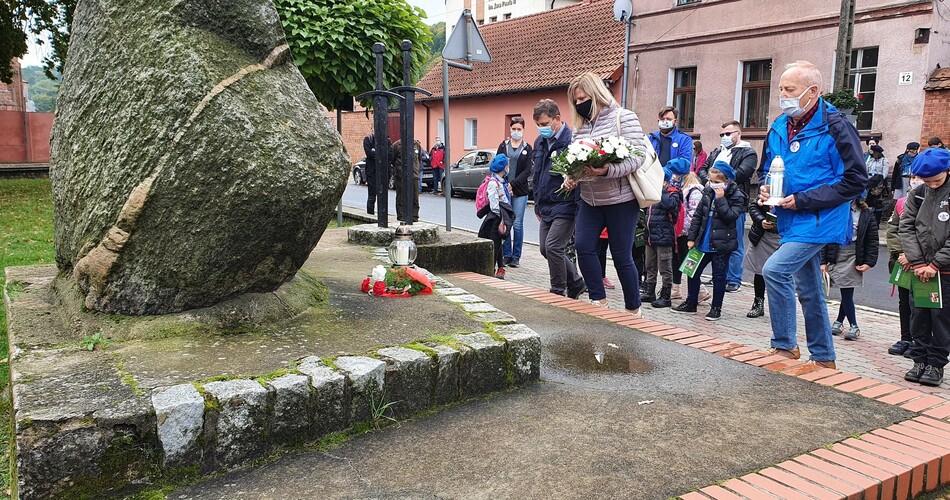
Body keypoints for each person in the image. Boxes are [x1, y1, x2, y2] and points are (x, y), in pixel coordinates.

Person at [758, 60, 868, 370]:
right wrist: (768, 189)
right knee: (809, 289)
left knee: (775, 270)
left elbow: (855, 181)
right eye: (780, 89)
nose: (783, 95)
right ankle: (823, 357)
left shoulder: (836, 125)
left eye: (789, 89)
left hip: (821, 218)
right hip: (792, 218)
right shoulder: (780, 125)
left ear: (813, 91)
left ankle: (784, 346)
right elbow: (770, 167)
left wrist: (803, 200)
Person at [562, 72, 648, 315]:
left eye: (583, 98)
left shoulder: (624, 118)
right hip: (590, 199)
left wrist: (608, 169)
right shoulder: (580, 129)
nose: (580, 104)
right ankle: (598, 300)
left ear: (597, 94)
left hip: (621, 200)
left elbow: (637, 157)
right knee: (583, 246)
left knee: (621, 256)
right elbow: (573, 162)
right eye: (576, 101)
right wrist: (571, 177)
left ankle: (633, 308)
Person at [900, 147, 950, 386]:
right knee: (918, 316)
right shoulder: (918, 193)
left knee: (941, 319)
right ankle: (919, 359)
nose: (931, 184)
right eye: (926, 180)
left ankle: (936, 365)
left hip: (944, 272)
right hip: (920, 271)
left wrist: (936, 263)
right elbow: (906, 227)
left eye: (936, 180)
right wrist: (918, 262)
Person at [673, 161, 747, 320]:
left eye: (716, 182)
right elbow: (698, 216)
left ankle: (716, 308)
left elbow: (730, 217)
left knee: (719, 277)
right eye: (710, 181)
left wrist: (721, 199)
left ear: (726, 181)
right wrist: (692, 238)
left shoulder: (737, 196)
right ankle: (691, 302)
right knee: (692, 271)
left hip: (721, 244)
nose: (711, 184)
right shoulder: (707, 192)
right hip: (703, 242)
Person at [531, 99, 586, 298]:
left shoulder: (572, 141)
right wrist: (537, 204)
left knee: (554, 246)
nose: (541, 129)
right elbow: (537, 175)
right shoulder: (539, 142)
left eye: (544, 124)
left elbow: (579, 174)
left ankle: (557, 290)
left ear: (557, 119)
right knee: (545, 249)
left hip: (566, 204)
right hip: (545, 205)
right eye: (538, 125)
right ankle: (577, 283)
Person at [699, 121, 759, 293]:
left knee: (734, 242)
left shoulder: (748, 153)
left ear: (738, 134)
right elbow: (703, 168)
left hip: (734, 202)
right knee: (715, 239)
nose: (724, 137)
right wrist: (709, 182)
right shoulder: (718, 151)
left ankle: (734, 279)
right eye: (722, 134)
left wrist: (720, 182)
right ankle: (719, 275)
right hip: (712, 201)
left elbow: (741, 174)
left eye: (728, 134)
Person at [821, 197, 878, 340]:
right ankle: (840, 321)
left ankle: (853, 325)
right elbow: (824, 236)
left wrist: (869, 262)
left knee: (847, 290)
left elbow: (872, 239)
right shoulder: (835, 209)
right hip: (836, 252)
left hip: (854, 254)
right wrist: (823, 261)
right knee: (844, 289)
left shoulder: (866, 213)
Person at [885, 178, 918, 356]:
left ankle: (920, 341)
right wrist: (900, 254)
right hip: (902, 262)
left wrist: (912, 256)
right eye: (913, 177)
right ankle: (906, 337)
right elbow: (893, 230)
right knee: (904, 302)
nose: (915, 181)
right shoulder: (901, 203)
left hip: (922, 263)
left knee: (920, 304)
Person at [642, 166, 682, 308]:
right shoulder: (651, 192)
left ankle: (666, 295)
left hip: (664, 234)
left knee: (664, 266)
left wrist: (662, 190)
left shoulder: (672, 193)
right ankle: (650, 291)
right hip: (650, 234)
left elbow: (670, 206)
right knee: (649, 265)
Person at [497, 117, 534, 269]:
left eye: (519, 129)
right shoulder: (503, 145)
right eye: (514, 129)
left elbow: (527, 171)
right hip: (504, 190)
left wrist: (513, 184)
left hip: (520, 191)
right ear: (510, 129)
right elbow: (498, 165)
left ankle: (516, 256)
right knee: (506, 223)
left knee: (517, 224)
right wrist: (505, 184)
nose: (516, 132)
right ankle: (506, 254)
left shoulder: (527, 147)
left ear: (523, 130)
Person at [674, 171, 711, 303]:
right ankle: (676, 289)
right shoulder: (686, 190)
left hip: (687, 233)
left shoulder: (694, 192)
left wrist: (685, 232)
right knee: (679, 260)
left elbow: (693, 215)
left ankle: (701, 291)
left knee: (688, 262)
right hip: (682, 232)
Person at [478, 154, 515, 280]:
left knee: (499, 243)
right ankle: (491, 269)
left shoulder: (501, 181)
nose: (508, 168)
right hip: (496, 218)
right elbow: (494, 203)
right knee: (496, 243)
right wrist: (502, 216)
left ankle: (500, 268)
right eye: (507, 166)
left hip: (500, 216)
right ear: (503, 168)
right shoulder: (494, 183)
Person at [743, 197, 781, 318]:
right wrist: (761, 220)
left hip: (782, 237)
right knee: (759, 270)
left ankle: (780, 307)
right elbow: (753, 207)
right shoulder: (768, 190)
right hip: (763, 235)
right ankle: (758, 304)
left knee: (780, 274)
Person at [391, 138, 423, 222]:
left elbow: (419, 158)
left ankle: (414, 217)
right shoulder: (396, 145)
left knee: (415, 197)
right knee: (400, 197)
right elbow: (392, 160)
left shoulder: (416, 145)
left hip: (414, 175)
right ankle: (401, 216)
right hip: (401, 176)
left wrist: (416, 169)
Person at [362, 133, 386, 214]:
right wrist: (380, 154)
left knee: (383, 195)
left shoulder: (385, 139)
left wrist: (376, 153)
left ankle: (382, 213)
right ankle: (370, 213)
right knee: (372, 195)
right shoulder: (368, 139)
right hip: (371, 171)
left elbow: (389, 153)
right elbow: (368, 153)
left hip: (382, 171)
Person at [865, 145, 890, 222]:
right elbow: (866, 170)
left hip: (878, 183)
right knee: (869, 202)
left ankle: (877, 221)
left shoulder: (884, 160)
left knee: (878, 202)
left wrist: (876, 179)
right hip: (869, 182)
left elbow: (884, 174)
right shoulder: (870, 160)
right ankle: (869, 220)